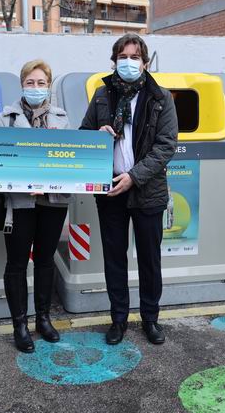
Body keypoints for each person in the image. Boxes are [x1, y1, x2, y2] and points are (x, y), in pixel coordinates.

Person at [80, 33, 178, 346]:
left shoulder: (161, 97)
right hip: (109, 190)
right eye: (123, 57)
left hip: (147, 190)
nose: (128, 62)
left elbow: (166, 146)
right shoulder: (101, 95)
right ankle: (118, 319)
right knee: (114, 257)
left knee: (150, 258)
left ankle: (150, 318)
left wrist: (134, 177)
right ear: (114, 61)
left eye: (135, 57)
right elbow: (83, 135)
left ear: (145, 63)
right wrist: (97, 133)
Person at [0, 60, 71, 353]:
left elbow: (71, 160)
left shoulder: (62, 118)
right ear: (22, 85)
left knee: (45, 260)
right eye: (30, 82)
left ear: (49, 85)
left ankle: (43, 319)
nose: (35, 88)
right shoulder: (4, 118)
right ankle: (19, 324)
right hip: (18, 204)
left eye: (41, 83)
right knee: (17, 263)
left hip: (53, 202)